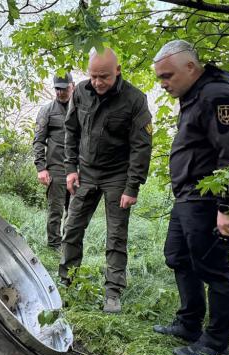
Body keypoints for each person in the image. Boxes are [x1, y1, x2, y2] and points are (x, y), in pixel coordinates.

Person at [152, 40, 229, 355]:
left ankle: (216, 344)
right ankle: (189, 323)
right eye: (160, 78)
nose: (164, 84)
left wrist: (228, 207)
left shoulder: (217, 95)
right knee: (178, 256)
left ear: (190, 67)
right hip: (188, 196)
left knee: (214, 270)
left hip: (208, 199)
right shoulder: (193, 94)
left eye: (168, 76)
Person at [59, 48, 153, 313]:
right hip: (86, 173)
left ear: (118, 71)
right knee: (72, 228)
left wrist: (132, 186)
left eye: (105, 77)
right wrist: (70, 168)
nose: (98, 82)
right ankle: (67, 283)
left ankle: (112, 292)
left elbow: (141, 146)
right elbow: (71, 131)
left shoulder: (134, 100)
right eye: (94, 76)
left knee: (116, 236)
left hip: (117, 176)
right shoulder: (80, 92)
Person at [33, 73, 74, 249]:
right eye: (57, 88)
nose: (60, 92)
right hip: (56, 170)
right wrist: (41, 168)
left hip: (77, 170)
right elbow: (38, 141)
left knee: (74, 213)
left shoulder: (81, 109)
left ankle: (70, 245)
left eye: (64, 88)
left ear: (72, 86)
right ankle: (54, 246)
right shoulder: (47, 111)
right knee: (55, 211)